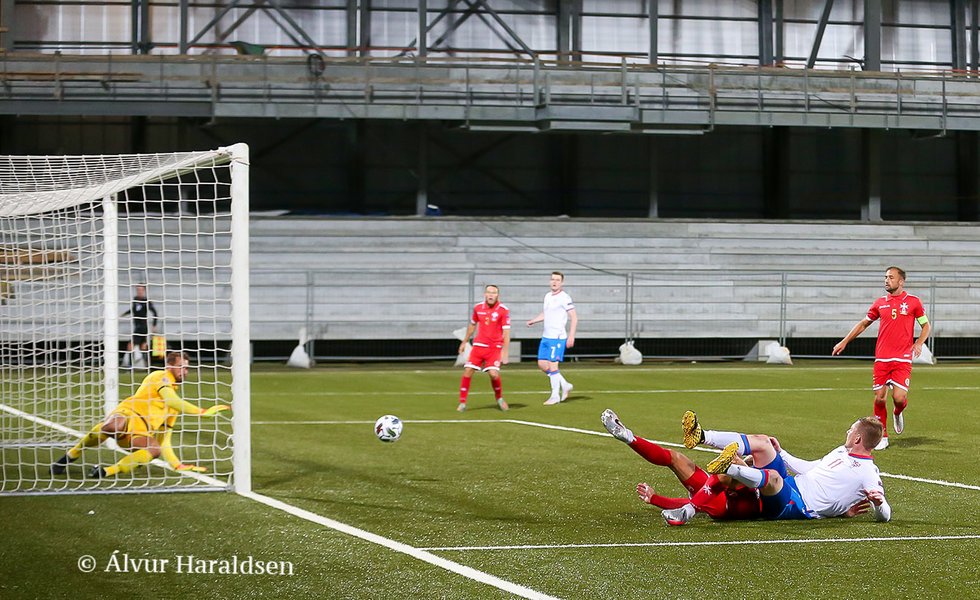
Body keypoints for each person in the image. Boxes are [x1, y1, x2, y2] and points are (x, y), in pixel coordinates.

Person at [681, 410, 891, 524]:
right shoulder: (841, 451)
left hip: (797, 506)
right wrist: (781, 453)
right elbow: (808, 468)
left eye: (851, 430)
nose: (847, 432)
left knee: (772, 477)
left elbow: (886, 515)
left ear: (858, 438)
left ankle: (730, 467)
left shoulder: (868, 473)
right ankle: (702, 436)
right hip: (791, 484)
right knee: (763, 442)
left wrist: (879, 504)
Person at [51, 351, 229, 478]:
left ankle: (106, 472)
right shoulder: (160, 376)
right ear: (169, 366)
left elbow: (164, 439)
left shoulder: (173, 408)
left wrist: (177, 465)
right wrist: (202, 412)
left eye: (187, 368)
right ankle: (71, 455)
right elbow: (171, 399)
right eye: (181, 367)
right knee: (112, 426)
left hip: (139, 434)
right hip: (128, 415)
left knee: (155, 450)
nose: (185, 371)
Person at [601, 409, 762, 526]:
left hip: (732, 504)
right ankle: (629, 437)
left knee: (727, 470)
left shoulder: (769, 481)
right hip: (723, 498)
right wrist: (655, 499)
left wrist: (657, 500)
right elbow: (698, 501)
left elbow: (700, 502)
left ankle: (704, 437)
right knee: (675, 458)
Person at [832, 266, 931, 449]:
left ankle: (897, 412)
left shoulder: (913, 302)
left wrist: (918, 343)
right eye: (886, 277)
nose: (887, 280)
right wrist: (844, 341)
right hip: (882, 358)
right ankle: (883, 435)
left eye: (891, 277)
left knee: (899, 398)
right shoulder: (879, 303)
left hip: (902, 358)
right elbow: (864, 324)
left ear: (901, 281)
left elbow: (926, 326)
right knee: (879, 398)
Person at [526, 271, 578, 405]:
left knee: (553, 366)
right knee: (542, 364)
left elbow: (574, 317)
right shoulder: (548, 296)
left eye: (557, 280)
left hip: (557, 337)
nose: (554, 282)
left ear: (562, 282)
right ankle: (564, 384)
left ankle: (555, 396)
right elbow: (546, 313)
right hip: (546, 336)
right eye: (552, 279)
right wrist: (534, 320)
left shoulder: (564, 297)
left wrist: (571, 335)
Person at [457, 284, 510, 412]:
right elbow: (472, 325)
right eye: (489, 292)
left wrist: (505, 352)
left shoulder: (503, 310)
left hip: (494, 347)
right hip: (479, 346)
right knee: (468, 370)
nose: (491, 295)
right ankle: (462, 403)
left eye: (494, 293)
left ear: (498, 295)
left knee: (493, 374)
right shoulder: (478, 308)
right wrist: (464, 342)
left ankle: (499, 398)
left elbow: (506, 332)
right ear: (485, 294)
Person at [121, 284, 158, 368]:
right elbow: (133, 310)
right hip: (136, 326)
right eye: (138, 290)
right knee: (143, 346)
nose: (139, 291)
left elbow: (155, 313)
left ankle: (130, 366)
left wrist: (154, 325)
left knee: (130, 345)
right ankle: (146, 365)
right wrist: (124, 314)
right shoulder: (135, 300)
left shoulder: (146, 301)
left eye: (141, 290)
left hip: (142, 327)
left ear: (144, 291)